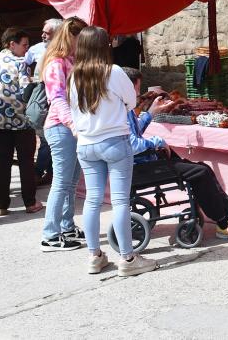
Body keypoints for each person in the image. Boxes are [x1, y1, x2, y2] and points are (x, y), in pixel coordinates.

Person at [70, 26, 157, 276]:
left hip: (86, 143)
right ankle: (128, 259)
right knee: (119, 201)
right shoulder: (114, 72)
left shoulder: (74, 76)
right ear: (104, 46)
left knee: (93, 199)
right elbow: (131, 101)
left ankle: (94, 255)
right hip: (114, 141)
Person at [122, 67, 228, 238]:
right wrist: (158, 141)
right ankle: (223, 223)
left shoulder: (126, 108)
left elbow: (135, 132)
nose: (139, 92)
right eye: (137, 88)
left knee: (201, 168)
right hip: (141, 168)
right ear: (125, 87)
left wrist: (151, 113)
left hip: (146, 162)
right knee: (200, 172)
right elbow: (132, 145)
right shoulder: (120, 111)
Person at [0, 28, 44, 216]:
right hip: (21, 120)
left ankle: (1, 204)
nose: (27, 49)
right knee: (26, 162)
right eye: (24, 45)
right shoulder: (20, 63)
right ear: (12, 44)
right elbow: (26, 91)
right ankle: (30, 202)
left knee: (3, 160)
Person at [39, 17, 88, 251]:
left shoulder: (72, 60)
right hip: (61, 128)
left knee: (70, 183)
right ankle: (50, 234)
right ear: (71, 37)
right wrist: (73, 125)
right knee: (61, 182)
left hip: (71, 128)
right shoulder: (56, 63)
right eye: (81, 39)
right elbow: (56, 98)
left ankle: (67, 226)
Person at [27, 18, 63, 186]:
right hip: (46, 103)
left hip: (51, 102)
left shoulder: (59, 51)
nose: (42, 35)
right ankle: (37, 172)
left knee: (48, 141)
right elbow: (25, 64)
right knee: (48, 141)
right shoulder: (43, 52)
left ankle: (47, 172)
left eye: (47, 33)